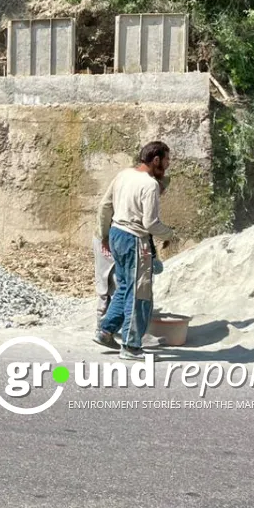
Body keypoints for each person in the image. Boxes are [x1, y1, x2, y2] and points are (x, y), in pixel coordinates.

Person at [94, 141, 175, 361]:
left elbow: (104, 205)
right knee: (139, 293)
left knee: (124, 288)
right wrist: (170, 234)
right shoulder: (149, 186)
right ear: (155, 160)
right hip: (135, 239)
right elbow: (150, 223)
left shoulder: (124, 175)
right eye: (166, 160)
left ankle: (105, 331)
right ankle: (131, 346)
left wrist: (104, 235)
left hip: (116, 234)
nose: (168, 165)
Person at [92, 175, 168, 330]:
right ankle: (114, 330)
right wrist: (104, 236)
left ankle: (106, 330)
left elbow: (146, 232)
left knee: (124, 285)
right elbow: (105, 208)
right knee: (117, 284)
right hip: (112, 238)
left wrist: (152, 257)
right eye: (161, 188)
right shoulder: (138, 190)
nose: (162, 192)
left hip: (115, 237)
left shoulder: (139, 192)